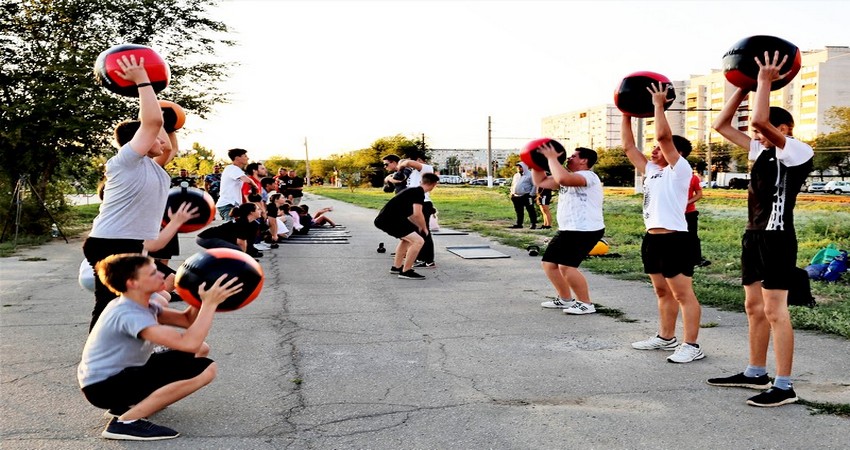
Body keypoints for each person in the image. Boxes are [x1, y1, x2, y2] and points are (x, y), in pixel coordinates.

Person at [707, 52, 814, 407]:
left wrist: (765, 81)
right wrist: (741, 86)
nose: (757, 134)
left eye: (766, 130)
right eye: (756, 133)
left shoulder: (797, 151)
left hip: (777, 237)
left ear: (785, 129)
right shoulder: (763, 151)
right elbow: (721, 126)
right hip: (753, 235)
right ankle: (756, 371)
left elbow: (761, 119)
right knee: (753, 306)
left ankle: (785, 386)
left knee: (774, 310)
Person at [78, 253, 242, 440]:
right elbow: (189, 342)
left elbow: (187, 320)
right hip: (103, 388)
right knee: (207, 369)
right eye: (153, 273)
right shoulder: (130, 314)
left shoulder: (138, 303)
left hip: (113, 378)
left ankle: (125, 406)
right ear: (133, 283)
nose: (162, 276)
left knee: (200, 350)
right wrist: (210, 303)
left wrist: (198, 297)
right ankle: (126, 422)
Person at [82, 54, 176, 331]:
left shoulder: (152, 166)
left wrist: (171, 122)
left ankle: (122, 351)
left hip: (128, 242)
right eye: (157, 136)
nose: (162, 139)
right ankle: (101, 359)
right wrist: (142, 82)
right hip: (112, 243)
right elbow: (151, 124)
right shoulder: (126, 162)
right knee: (111, 303)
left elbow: (168, 146)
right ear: (140, 142)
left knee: (133, 301)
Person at [622, 81, 705, 364]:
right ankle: (665, 336)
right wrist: (626, 112)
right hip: (653, 239)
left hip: (676, 240)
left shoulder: (679, 170)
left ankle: (691, 344)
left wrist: (658, 105)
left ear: (673, 152)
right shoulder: (651, 172)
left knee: (683, 294)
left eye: (658, 149)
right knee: (661, 291)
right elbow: (628, 146)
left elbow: (663, 136)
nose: (653, 151)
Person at [531, 146, 604, 315]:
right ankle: (565, 299)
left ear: (584, 161)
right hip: (569, 229)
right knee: (549, 264)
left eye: (573, 156)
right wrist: (536, 164)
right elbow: (541, 182)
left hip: (584, 229)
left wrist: (552, 158)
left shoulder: (588, 176)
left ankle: (585, 303)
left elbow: (563, 179)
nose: (569, 158)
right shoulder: (568, 177)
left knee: (567, 267)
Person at [374, 173, 439, 280]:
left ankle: (396, 267)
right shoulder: (419, 193)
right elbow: (418, 214)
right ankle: (406, 271)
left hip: (389, 219)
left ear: (421, 181)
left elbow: (412, 215)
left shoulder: (413, 191)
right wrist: (424, 228)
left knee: (407, 240)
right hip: (389, 220)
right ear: (433, 184)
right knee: (419, 241)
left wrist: (418, 226)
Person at [399, 152, 437, 268]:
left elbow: (408, 162)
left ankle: (428, 260)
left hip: (423, 204)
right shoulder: (413, 172)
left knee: (424, 231)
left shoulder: (425, 168)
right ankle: (420, 257)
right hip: (415, 203)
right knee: (416, 232)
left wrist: (402, 164)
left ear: (419, 160)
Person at [196, 203, 263, 255]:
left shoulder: (251, 223)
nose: (260, 211)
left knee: (237, 250)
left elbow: (248, 242)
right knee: (237, 251)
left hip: (211, 237)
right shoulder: (243, 223)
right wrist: (245, 259)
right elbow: (241, 243)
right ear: (251, 212)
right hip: (206, 238)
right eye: (258, 209)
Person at [215, 148, 258, 220]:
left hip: (232, 205)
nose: (247, 158)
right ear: (237, 158)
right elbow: (246, 180)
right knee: (232, 227)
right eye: (245, 156)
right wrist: (255, 186)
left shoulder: (234, 169)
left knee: (238, 227)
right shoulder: (233, 168)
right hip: (228, 205)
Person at [686, 173, 711, 267]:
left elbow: (699, 194)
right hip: (673, 213)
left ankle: (696, 260)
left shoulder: (693, 178)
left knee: (692, 237)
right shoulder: (668, 176)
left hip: (689, 212)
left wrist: (688, 202)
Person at [508, 162, 537, 229]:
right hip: (516, 196)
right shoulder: (516, 175)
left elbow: (535, 185)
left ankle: (533, 224)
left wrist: (531, 194)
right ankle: (519, 224)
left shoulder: (530, 174)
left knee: (530, 210)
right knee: (519, 211)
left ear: (524, 167)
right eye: (518, 167)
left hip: (526, 196)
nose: (519, 168)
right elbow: (513, 184)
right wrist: (512, 193)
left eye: (520, 167)